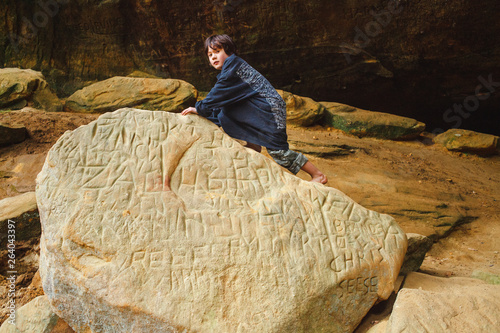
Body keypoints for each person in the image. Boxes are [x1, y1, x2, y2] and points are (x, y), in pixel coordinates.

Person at [181, 34, 327, 184]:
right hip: (261, 107)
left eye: (217, 52)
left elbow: (218, 93)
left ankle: (318, 175)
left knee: (278, 151)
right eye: (210, 55)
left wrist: (199, 108)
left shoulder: (233, 67)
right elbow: (225, 99)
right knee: (225, 110)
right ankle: (253, 144)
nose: (213, 57)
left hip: (271, 110)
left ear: (229, 51)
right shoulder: (232, 67)